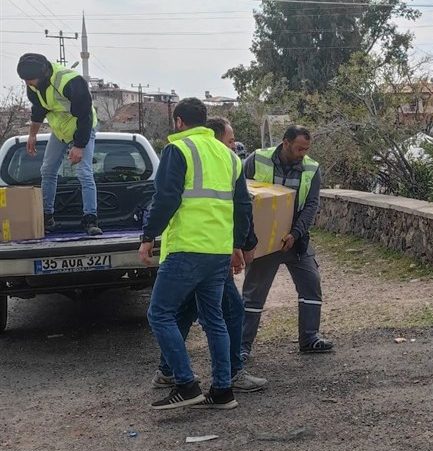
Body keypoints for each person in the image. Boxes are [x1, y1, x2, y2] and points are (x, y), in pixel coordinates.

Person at [138, 98, 250, 410]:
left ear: (178, 121)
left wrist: (148, 236)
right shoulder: (229, 157)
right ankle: (223, 391)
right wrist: (237, 245)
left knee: (159, 313)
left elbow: (166, 198)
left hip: (187, 247)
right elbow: (243, 204)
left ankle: (186, 383)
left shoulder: (179, 149)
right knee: (214, 318)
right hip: (217, 250)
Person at [151, 116, 267, 393]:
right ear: (214, 140)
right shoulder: (212, 158)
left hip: (193, 250)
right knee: (222, 313)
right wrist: (241, 244)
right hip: (204, 252)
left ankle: (172, 374)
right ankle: (223, 379)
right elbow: (239, 208)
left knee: (186, 311)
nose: (233, 146)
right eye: (229, 140)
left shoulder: (192, 156)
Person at [240, 125, 333, 358]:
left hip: (296, 240)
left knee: (311, 283)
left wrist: (295, 234)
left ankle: (309, 338)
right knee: (254, 293)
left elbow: (311, 205)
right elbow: (240, 193)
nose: (303, 153)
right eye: (299, 148)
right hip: (263, 241)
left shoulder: (311, 169)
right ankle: (241, 347)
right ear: (286, 142)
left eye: (306, 149)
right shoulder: (256, 159)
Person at [17, 53, 102, 235]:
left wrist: (79, 146)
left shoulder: (70, 81)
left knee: (84, 171)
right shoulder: (34, 86)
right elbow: (38, 111)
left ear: (43, 73)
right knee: (47, 170)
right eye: (25, 81)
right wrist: (32, 135)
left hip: (81, 128)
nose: (28, 84)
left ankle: (90, 219)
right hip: (59, 131)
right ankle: (47, 217)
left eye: (30, 80)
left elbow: (85, 116)